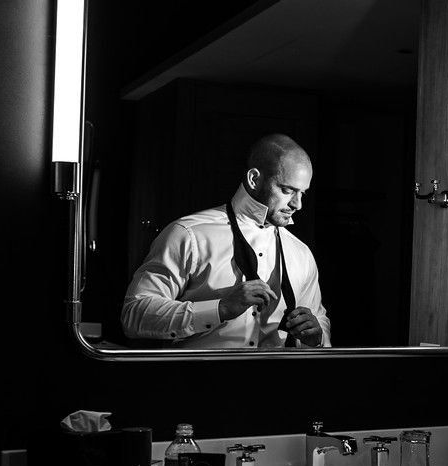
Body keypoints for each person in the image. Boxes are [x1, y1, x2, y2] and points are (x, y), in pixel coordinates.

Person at [122, 133, 330, 349]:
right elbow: (135, 314)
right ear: (254, 179)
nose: (298, 204)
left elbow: (319, 321)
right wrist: (220, 309)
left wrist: (317, 337)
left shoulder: (301, 253)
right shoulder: (189, 235)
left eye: (302, 194)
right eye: (287, 190)